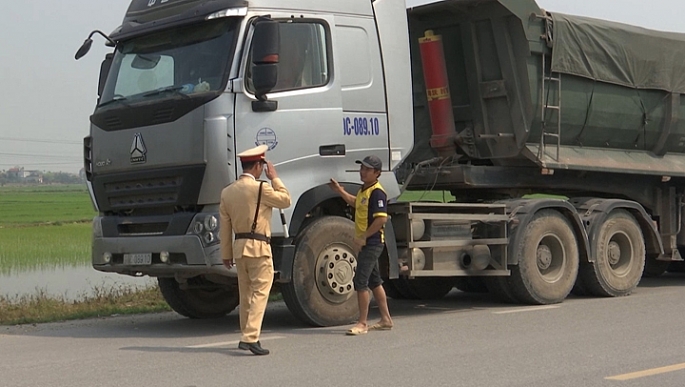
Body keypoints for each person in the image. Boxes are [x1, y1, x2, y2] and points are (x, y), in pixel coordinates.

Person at [219, 144, 291, 355]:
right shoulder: (261, 188)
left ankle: (246, 334)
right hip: (259, 247)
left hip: (239, 248)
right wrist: (275, 178)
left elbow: (225, 228)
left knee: (246, 293)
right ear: (259, 166)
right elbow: (285, 200)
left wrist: (226, 254)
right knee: (261, 291)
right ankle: (250, 337)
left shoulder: (227, 192)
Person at [328, 155, 394, 335]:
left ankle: (362, 323)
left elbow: (381, 219)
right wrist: (339, 190)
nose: (362, 172)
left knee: (360, 281)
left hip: (372, 243)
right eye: (362, 168)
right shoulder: (364, 190)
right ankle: (386, 319)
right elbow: (355, 203)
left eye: (367, 169)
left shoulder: (377, 192)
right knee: (374, 281)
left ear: (377, 173)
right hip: (367, 243)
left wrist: (364, 236)